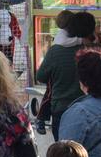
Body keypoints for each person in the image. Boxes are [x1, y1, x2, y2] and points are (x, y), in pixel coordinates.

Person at [36, 10, 94, 138]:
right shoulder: (93, 51)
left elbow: (40, 77)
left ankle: (41, 118)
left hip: (60, 108)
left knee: (63, 151)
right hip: (88, 106)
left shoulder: (55, 50)